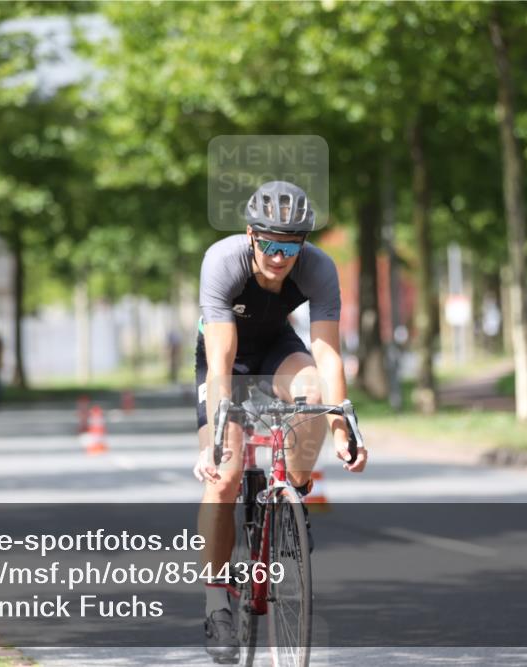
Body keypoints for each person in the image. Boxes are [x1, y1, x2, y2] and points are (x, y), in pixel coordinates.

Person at [192, 181, 368, 662]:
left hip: (277, 347)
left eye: (290, 247)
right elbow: (221, 361)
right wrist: (214, 442)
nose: (278, 256)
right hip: (225, 358)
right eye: (269, 244)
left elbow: (327, 354)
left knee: (313, 393)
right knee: (225, 476)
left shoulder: (318, 268)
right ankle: (216, 601)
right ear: (251, 235)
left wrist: (341, 429)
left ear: (303, 244)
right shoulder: (222, 261)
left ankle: (291, 494)